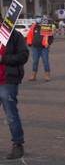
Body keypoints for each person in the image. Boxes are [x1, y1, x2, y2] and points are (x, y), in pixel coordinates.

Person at [0, 13, 29, 159]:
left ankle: (18, 144)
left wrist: (3, 58)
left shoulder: (14, 35)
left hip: (7, 81)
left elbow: (23, 56)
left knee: (11, 115)